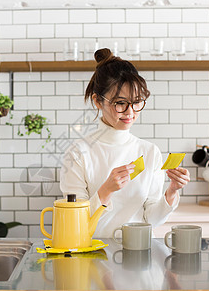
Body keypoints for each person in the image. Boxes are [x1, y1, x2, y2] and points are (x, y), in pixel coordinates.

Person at [60, 48, 190, 238]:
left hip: (140, 256)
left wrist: (171, 192)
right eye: (120, 103)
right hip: (95, 256)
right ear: (98, 101)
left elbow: (151, 220)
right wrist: (105, 191)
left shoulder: (149, 151)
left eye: (137, 102)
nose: (130, 112)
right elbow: (74, 223)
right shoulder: (77, 153)